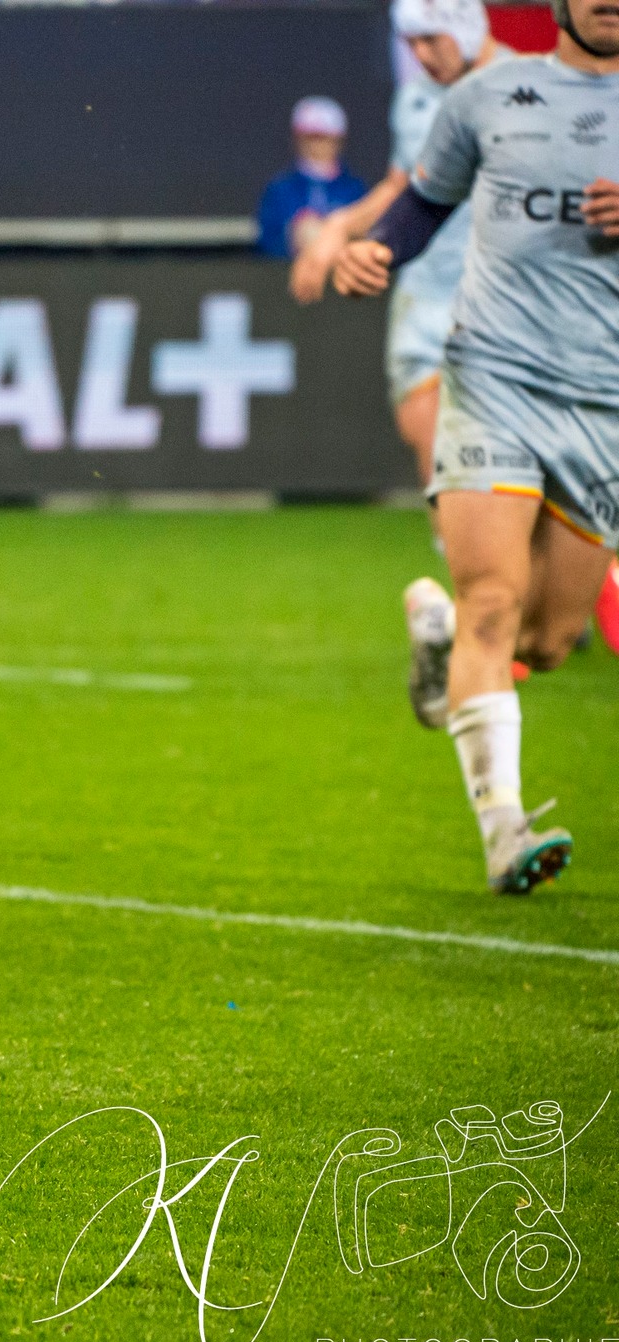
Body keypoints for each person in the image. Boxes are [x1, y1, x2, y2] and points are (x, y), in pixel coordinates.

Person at [333, 0, 619, 895]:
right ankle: (504, 829)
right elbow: (423, 205)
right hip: (492, 378)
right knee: (495, 598)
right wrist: (371, 252)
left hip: (603, 403)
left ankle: (440, 630)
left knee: (551, 636)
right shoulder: (489, 95)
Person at [292, 0, 503, 554]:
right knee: (438, 462)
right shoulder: (413, 101)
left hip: (505, 306)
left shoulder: (527, 88)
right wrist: (341, 227)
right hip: (424, 299)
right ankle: (475, 607)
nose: (420, 56)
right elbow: (399, 188)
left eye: (431, 39)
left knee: (513, 478)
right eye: (411, 43)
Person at [257, 97, 369, 258]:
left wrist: (332, 233)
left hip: (342, 271)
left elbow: (366, 237)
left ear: (338, 140)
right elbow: (267, 242)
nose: (314, 145)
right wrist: (293, 236)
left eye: (322, 138)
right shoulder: (280, 189)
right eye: (308, 137)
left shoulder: (354, 189)